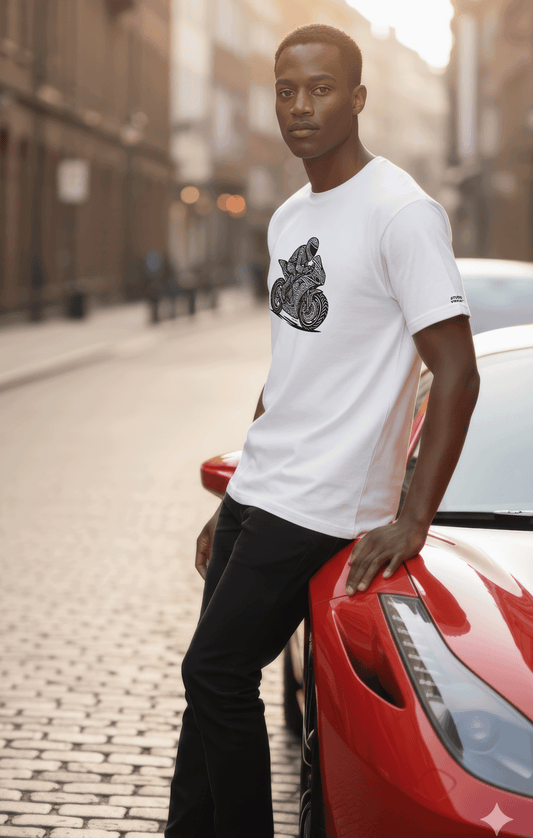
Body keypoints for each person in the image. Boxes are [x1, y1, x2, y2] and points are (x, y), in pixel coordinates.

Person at [164, 23, 480, 838]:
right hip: (264, 489)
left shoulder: (401, 212)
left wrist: (413, 516)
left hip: (321, 503)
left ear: (358, 98)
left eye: (320, 88)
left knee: (216, 672)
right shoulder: (290, 215)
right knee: (210, 688)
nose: (299, 106)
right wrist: (235, 485)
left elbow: (456, 370)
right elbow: (290, 370)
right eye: (285, 89)